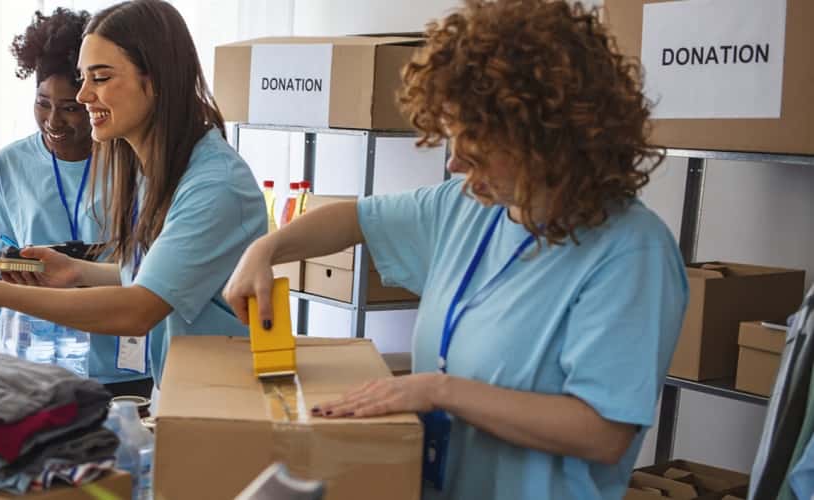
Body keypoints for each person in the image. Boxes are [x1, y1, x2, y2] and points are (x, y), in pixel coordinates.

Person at [222, 0, 688, 498]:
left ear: (547, 144)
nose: (455, 167)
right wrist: (267, 249)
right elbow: (353, 218)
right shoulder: (470, 208)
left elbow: (601, 433)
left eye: (477, 150)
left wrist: (438, 391)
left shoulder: (631, 253)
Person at [0, 0, 266, 385]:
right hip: (182, 393)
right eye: (83, 78)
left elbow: (139, 309)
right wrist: (77, 271)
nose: (83, 95)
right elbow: (153, 277)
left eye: (101, 78)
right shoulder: (151, 169)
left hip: (222, 401)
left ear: (156, 79)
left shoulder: (215, 186)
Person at [0, 8, 153, 397]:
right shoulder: (10, 165)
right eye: (43, 103)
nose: (54, 121)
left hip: (125, 365)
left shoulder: (132, 162)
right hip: (37, 366)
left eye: (70, 107)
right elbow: (4, 260)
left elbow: (154, 271)